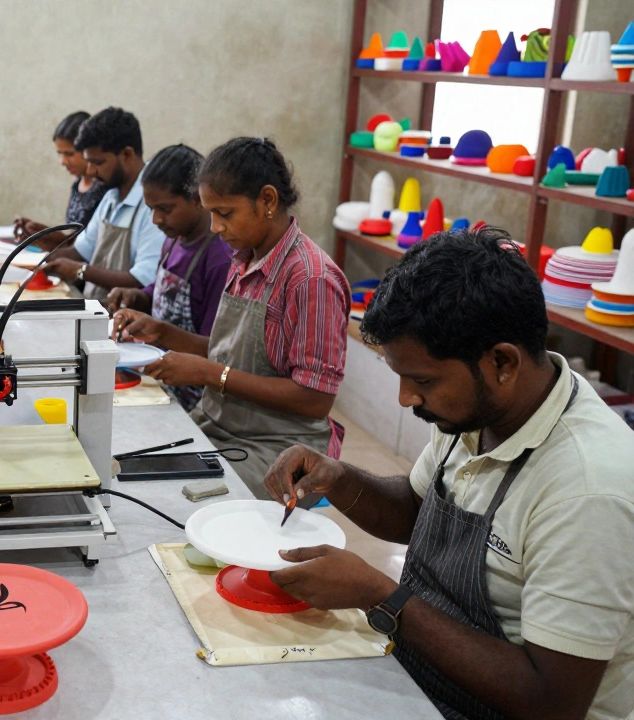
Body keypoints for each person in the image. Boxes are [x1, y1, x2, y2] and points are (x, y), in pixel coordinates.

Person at [263, 228, 634, 720]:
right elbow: (416, 512)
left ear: (502, 362)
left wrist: (382, 595)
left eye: (421, 381)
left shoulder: (588, 490)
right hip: (426, 680)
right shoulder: (480, 410)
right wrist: (340, 478)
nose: (405, 398)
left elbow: (552, 702)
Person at [114, 137, 349, 496]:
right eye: (211, 213)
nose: (215, 227)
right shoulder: (244, 261)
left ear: (267, 201)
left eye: (225, 213)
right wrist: (161, 331)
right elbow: (235, 353)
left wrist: (209, 373)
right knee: (131, 464)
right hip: (221, 426)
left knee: (176, 497)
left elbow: (314, 398)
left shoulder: (311, 278)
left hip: (280, 450)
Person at [104, 144, 231, 409]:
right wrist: (138, 298)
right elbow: (163, 291)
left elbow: (215, 350)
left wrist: (161, 332)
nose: (156, 219)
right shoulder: (174, 239)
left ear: (198, 200)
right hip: (160, 376)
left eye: (165, 209)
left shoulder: (219, 259)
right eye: (151, 208)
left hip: (195, 397)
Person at [40, 107, 164, 301]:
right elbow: (81, 251)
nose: (90, 171)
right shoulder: (111, 196)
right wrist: (37, 259)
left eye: (97, 162)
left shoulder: (155, 203)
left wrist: (80, 271)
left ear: (127, 154)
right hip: (98, 310)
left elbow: (143, 281)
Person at [12, 111, 107, 250]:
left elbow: (93, 245)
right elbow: (71, 238)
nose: (62, 162)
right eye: (60, 154)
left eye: (69, 154)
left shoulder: (106, 190)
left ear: (89, 151)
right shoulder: (77, 186)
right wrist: (41, 233)